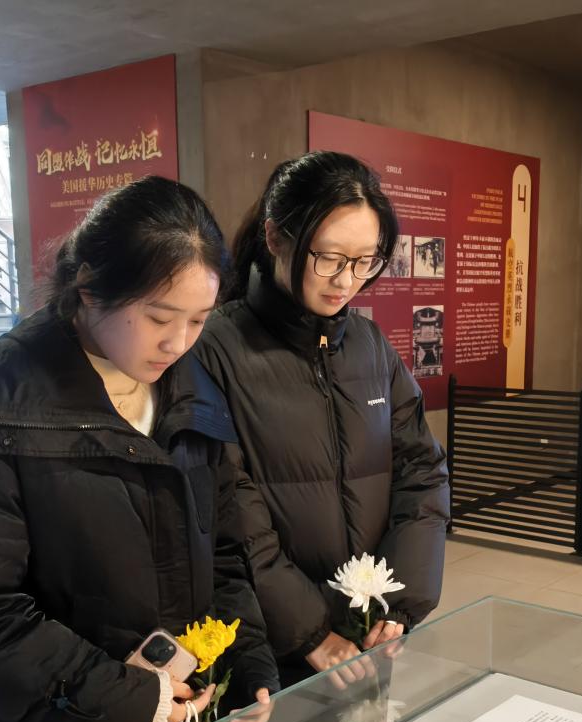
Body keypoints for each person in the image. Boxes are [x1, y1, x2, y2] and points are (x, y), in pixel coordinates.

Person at [0, 176, 279, 722]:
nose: (178, 343)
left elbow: (223, 550)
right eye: (159, 318)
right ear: (90, 290)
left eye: (198, 321)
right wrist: (129, 703)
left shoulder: (189, 397)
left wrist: (245, 657)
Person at [193, 152, 450, 686]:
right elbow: (230, 508)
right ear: (275, 236)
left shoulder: (370, 346)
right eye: (329, 258)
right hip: (272, 645)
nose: (346, 281)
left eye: (365, 261)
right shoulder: (216, 347)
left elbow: (422, 473)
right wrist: (309, 632)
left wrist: (394, 606)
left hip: (367, 635)